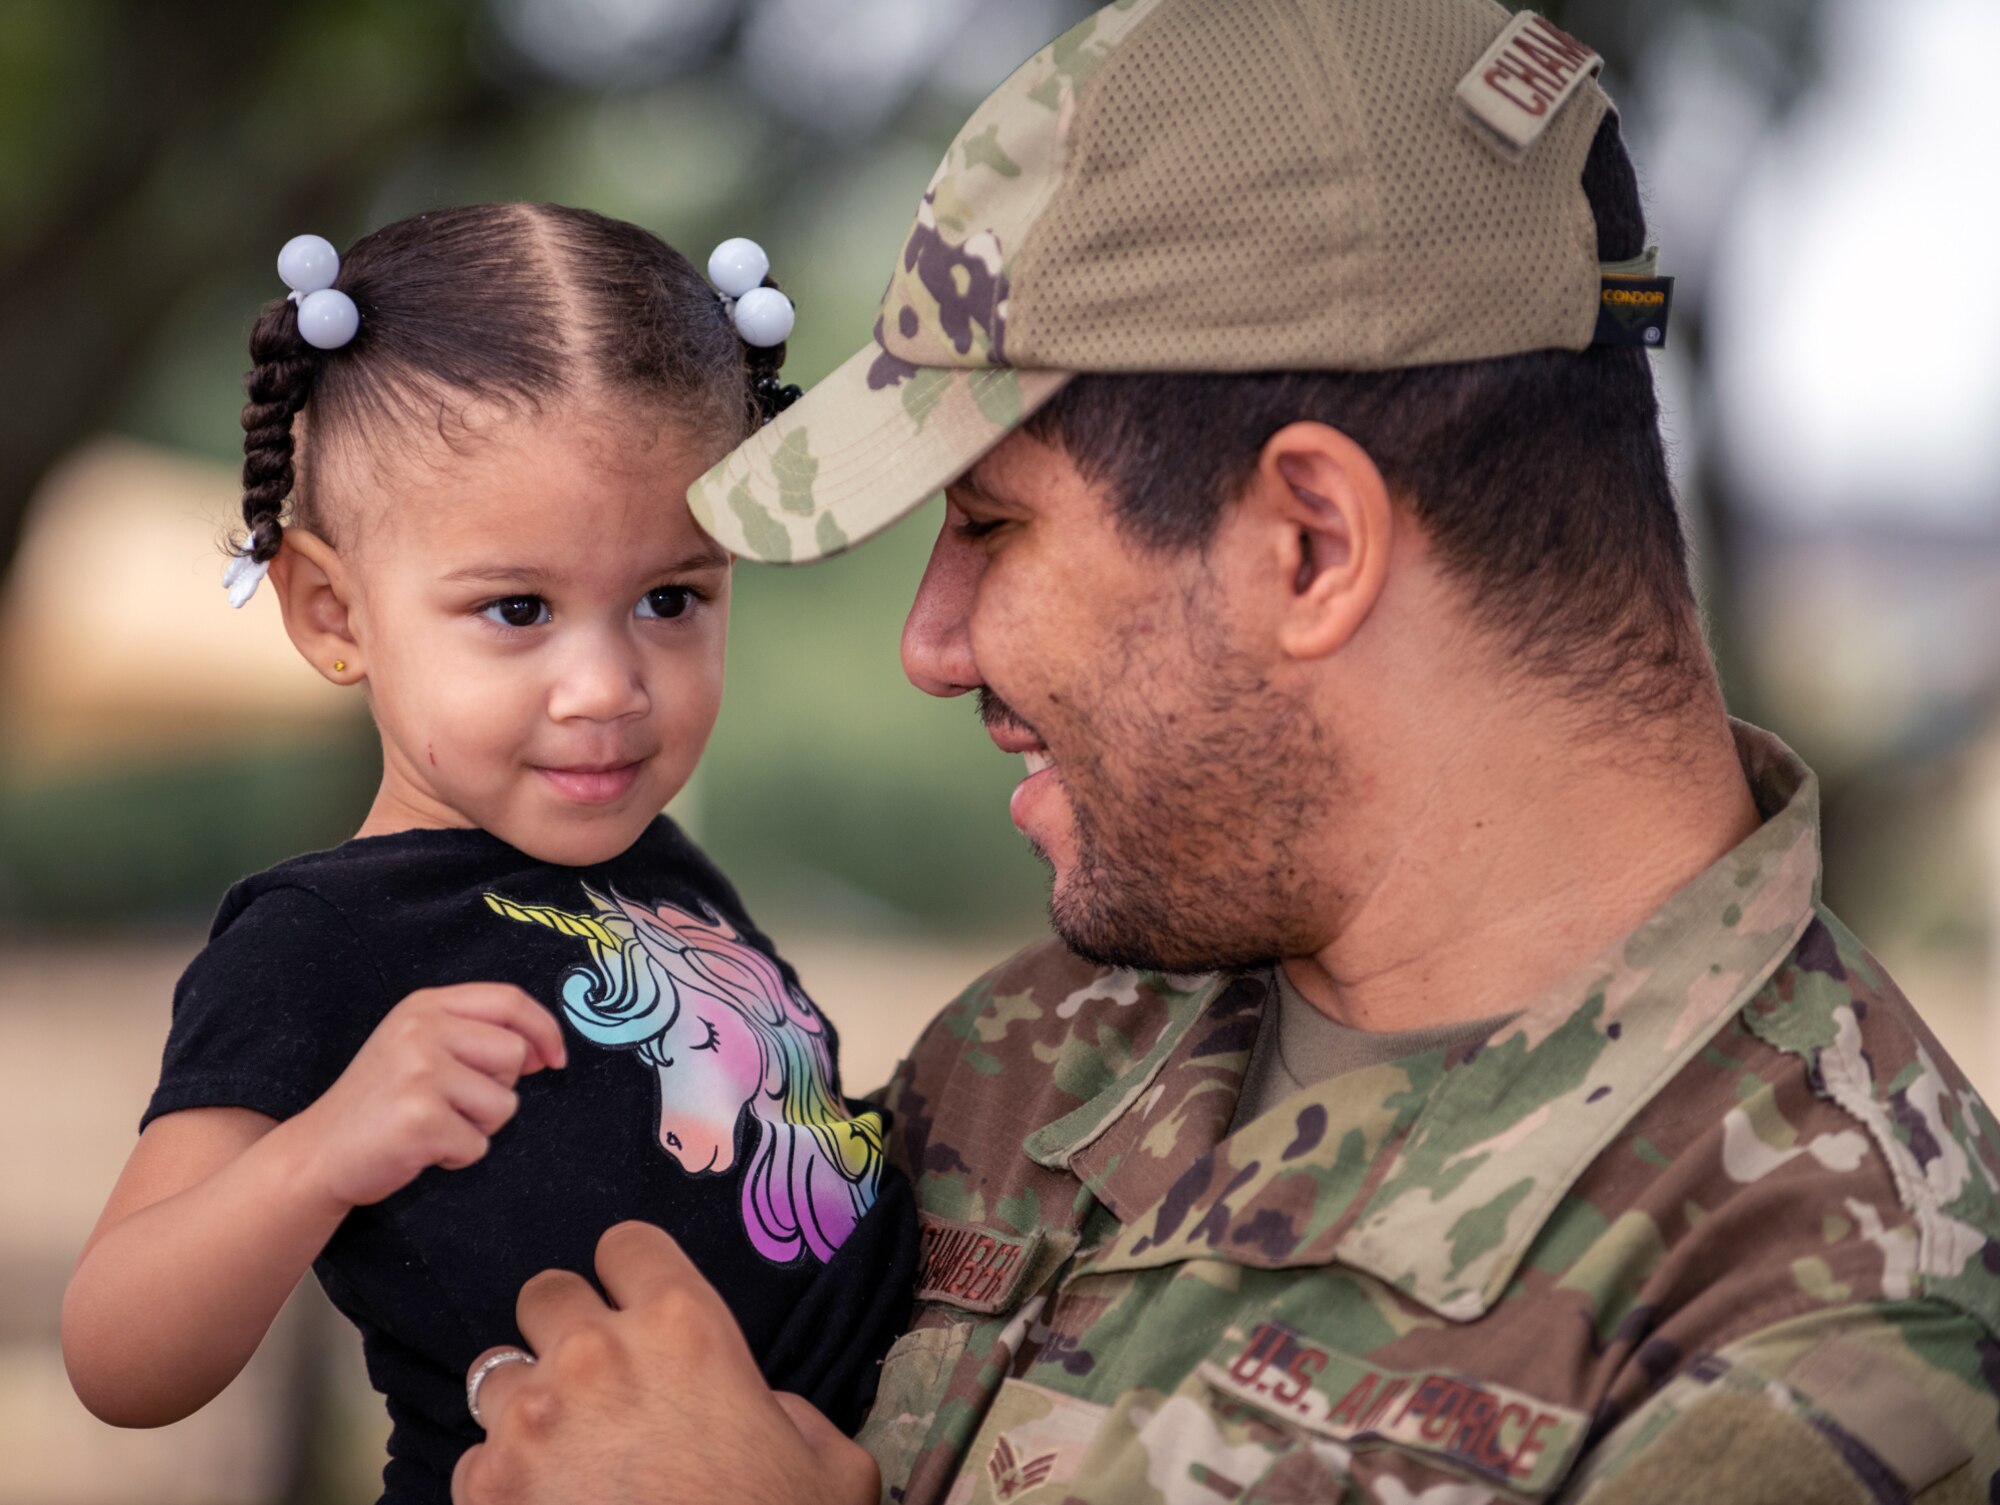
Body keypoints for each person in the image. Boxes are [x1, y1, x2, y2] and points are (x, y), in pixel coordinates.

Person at [452, 2, 2000, 1502]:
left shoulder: (1844, 1315)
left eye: (992, 524)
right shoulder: (1046, 1048)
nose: (929, 645)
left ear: (1311, 543)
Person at [59, 205, 917, 1505]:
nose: (607, 685)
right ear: (334, 611)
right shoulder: (319, 941)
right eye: (517, 610)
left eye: (671, 599)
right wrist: (325, 1148)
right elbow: (116, 1346)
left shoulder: (669, 871)